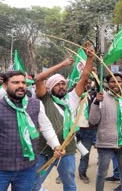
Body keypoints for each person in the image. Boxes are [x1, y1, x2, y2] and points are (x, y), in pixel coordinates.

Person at [0, 71, 64, 191]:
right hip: (0, 168)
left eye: (23, 82)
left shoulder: (36, 104)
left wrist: (56, 145)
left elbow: (46, 127)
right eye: (15, 82)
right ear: (5, 86)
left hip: (27, 168)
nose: (21, 85)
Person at [33, 43, 94, 191]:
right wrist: (63, 64)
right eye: (57, 84)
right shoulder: (44, 98)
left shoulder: (72, 97)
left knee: (70, 185)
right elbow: (39, 79)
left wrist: (90, 57)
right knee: (34, 184)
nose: (62, 86)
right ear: (50, 87)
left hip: (68, 149)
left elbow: (85, 77)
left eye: (63, 84)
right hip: (45, 148)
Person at [89, 73, 122, 191]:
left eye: (118, 81)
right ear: (107, 84)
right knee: (101, 173)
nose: (116, 84)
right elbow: (93, 121)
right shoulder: (101, 98)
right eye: (112, 82)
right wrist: (96, 103)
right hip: (106, 143)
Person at [77, 77, 97, 184]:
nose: (87, 84)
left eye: (89, 82)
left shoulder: (93, 95)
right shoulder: (73, 94)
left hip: (89, 129)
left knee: (85, 152)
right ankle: (62, 174)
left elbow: (100, 87)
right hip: (73, 129)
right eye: (85, 81)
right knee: (66, 152)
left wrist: (96, 74)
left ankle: (82, 172)